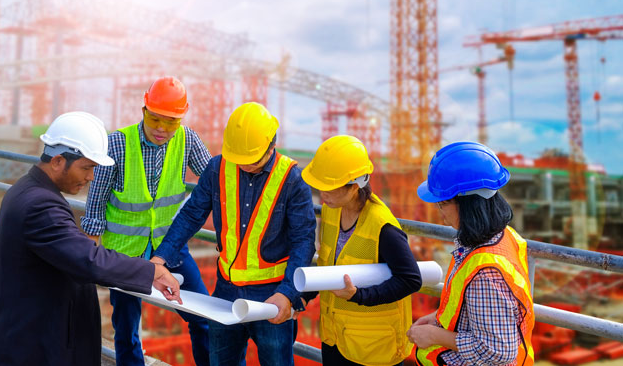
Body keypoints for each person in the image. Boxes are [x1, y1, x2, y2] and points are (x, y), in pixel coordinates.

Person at [0, 111, 181, 366]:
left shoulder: (30, 190)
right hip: (28, 348)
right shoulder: (40, 205)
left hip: (29, 336)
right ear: (58, 161)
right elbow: (89, 259)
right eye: (86, 167)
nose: (91, 177)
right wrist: (151, 272)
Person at [152, 101, 317, 366]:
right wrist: (160, 258)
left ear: (270, 146)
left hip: (272, 296)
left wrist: (288, 294)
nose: (243, 166)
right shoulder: (218, 167)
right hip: (226, 292)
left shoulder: (291, 179)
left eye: (250, 161)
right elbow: (192, 214)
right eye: (238, 160)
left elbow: (303, 242)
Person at [81, 76, 211, 366]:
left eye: (171, 122)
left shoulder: (187, 140)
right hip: (124, 252)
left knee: (202, 317)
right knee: (126, 327)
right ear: (143, 109)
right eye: (155, 119)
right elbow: (97, 199)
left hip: (170, 249)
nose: (162, 129)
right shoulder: (117, 144)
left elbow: (215, 178)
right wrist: (90, 247)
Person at [406, 141, 535, 366]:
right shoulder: (502, 236)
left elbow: (498, 352)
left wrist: (436, 336)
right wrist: (438, 320)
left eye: (443, 204)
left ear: (468, 205)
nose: (440, 213)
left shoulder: (487, 274)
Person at [300, 135, 422, 366]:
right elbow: (328, 264)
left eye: (328, 188)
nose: (321, 195)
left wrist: (358, 296)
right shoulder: (331, 211)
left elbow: (410, 279)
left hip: (372, 348)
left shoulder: (382, 226)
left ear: (354, 187)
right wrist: (304, 297)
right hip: (335, 338)